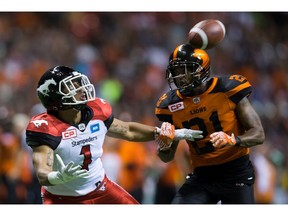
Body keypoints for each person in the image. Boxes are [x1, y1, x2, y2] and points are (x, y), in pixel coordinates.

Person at [25, 65, 203, 204]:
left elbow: (128, 130)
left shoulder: (96, 111)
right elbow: (42, 171)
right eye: (71, 87)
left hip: (101, 188)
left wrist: (168, 133)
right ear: (54, 99)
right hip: (62, 199)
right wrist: (58, 176)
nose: (80, 89)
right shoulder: (45, 127)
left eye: (78, 83)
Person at [155, 44, 265, 204]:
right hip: (202, 175)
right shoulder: (170, 104)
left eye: (183, 71)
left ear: (200, 71)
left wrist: (233, 140)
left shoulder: (227, 89)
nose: (178, 77)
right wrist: (164, 146)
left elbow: (258, 134)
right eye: (176, 72)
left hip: (236, 172)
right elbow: (167, 157)